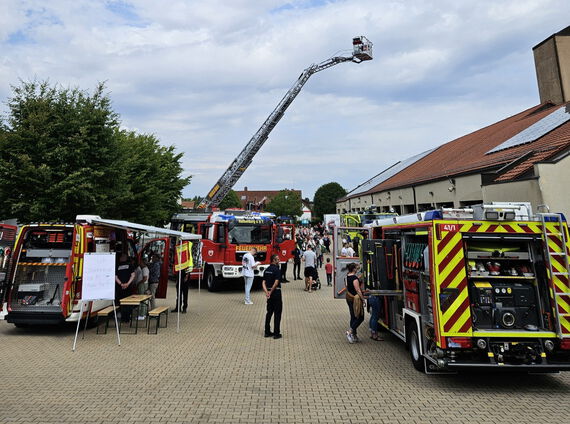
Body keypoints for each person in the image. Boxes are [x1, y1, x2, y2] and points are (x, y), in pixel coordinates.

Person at [262, 254, 283, 339]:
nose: (279, 260)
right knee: (277, 313)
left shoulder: (266, 270)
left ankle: (267, 332)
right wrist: (271, 292)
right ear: (274, 260)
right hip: (276, 292)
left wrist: (267, 292)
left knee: (269, 312)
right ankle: (276, 333)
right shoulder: (277, 270)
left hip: (269, 294)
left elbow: (263, 282)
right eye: (278, 259)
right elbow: (276, 282)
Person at [345, 262, 365, 343]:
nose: (357, 270)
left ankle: (354, 335)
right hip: (355, 300)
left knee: (353, 316)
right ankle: (350, 332)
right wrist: (363, 299)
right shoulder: (354, 278)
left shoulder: (347, 276)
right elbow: (358, 290)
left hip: (349, 298)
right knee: (360, 317)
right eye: (356, 268)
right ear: (353, 269)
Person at [115, 253, 135, 323]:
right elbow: (133, 275)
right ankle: (127, 318)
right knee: (128, 302)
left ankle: (123, 318)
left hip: (120, 288)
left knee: (121, 302)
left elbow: (115, 277)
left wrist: (121, 284)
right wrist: (128, 284)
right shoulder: (130, 265)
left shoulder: (117, 266)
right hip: (128, 288)